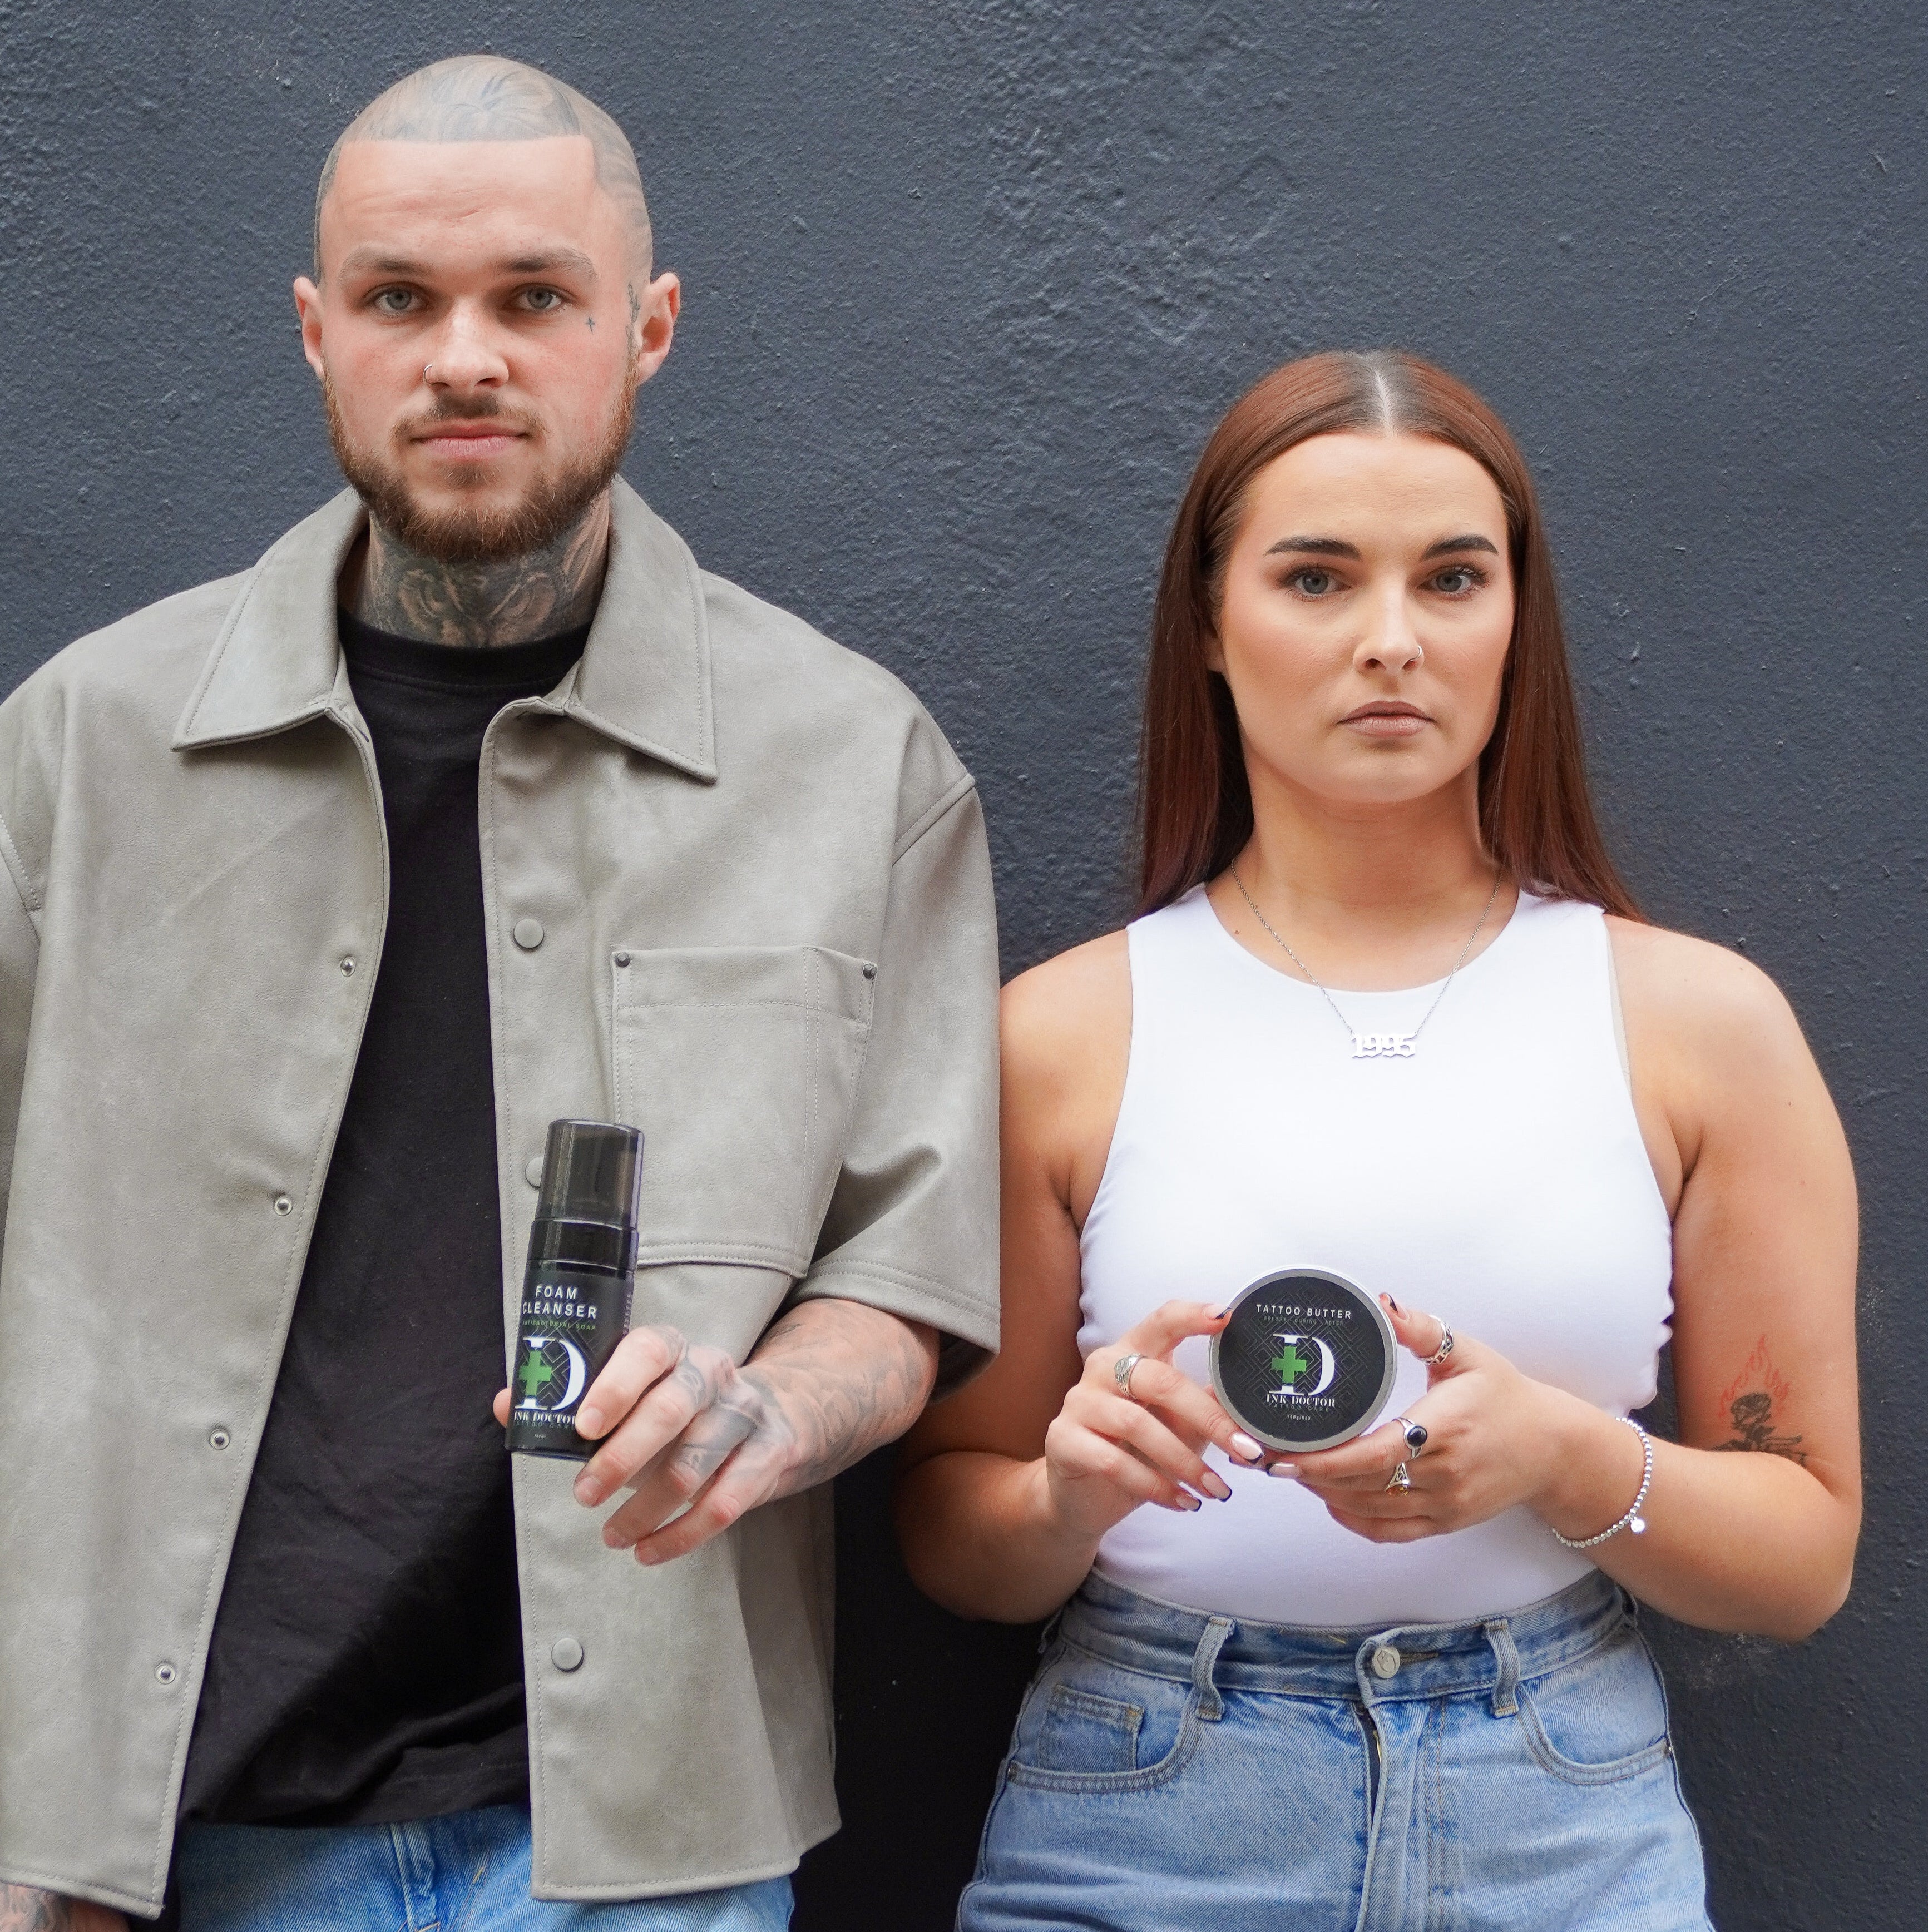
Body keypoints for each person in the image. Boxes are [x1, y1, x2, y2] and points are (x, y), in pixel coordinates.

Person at [0, 54, 997, 1932]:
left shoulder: (852, 761)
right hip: (177, 1828)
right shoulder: (78, 751)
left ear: (650, 326)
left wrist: (769, 1412)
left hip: (648, 1834)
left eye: (534, 297)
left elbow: (910, 1267)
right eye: (401, 299)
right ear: (318, 332)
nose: (465, 357)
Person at [896, 351, 1859, 1931]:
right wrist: (1066, 1496)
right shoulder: (1056, 1038)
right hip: (1149, 1809)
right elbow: (952, 1536)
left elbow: (1804, 1557)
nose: (1392, 639)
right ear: (1210, 627)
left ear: (1514, 622)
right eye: (1316, 578)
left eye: (1453, 579)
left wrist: (1563, 1457)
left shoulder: (1700, 1024)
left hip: (1562, 1823)